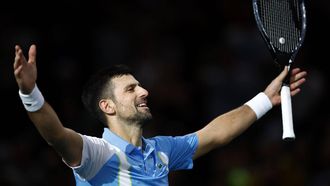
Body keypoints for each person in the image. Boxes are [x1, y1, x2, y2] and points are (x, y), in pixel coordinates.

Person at [13, 44, 307, 186]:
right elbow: (54, 134)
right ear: (108, 106)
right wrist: (29, 93)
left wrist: (265, 100)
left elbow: (216, 134)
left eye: (140, 86)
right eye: (131, 89)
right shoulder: (96, 154)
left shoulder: (161, 151)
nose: (144, 92)